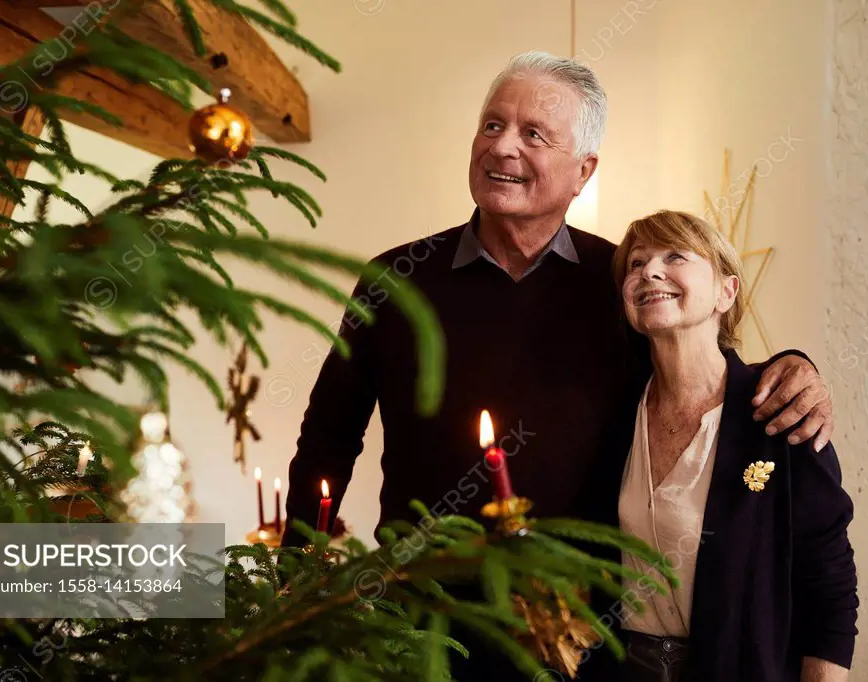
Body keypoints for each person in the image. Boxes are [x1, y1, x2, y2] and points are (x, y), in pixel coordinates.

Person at [283, 51, 836, 680]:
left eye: (534, 134)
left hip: (579, 640)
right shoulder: (395, 277)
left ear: (584, 171)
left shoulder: (620, 281)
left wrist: (797, 365)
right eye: (492, 125)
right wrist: (296, 579)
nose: (502, 148)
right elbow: (328, 436)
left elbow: (706, 371)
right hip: (423, 619)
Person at [582, 210, 857, 682]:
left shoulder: (781, 412)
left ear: (725, 293)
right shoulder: (613, 414)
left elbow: (829, 585)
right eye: (635, 263)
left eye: (674, 256)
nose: (648, 271)